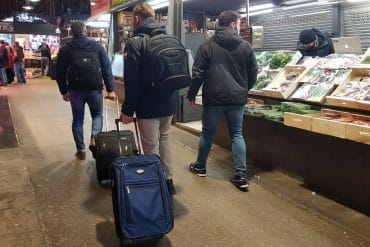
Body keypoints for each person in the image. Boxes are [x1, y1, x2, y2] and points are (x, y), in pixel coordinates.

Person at [187, 10, 257, 190]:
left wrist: (192, 94)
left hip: (213, 99)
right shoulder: (246, 47)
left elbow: (197, 74)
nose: (240, 27)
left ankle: (200, 166)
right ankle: (241, 176)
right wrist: (242, 89)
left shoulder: (207, 46)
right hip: (236, 100)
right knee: (237, 135)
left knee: (207, 134)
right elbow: (253, 74)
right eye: (240, 23)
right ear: (233, 24)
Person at [120, 3, 177, 195]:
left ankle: (155, 187)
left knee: (150, 146)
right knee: (164, 138)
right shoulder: (169, 38)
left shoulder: (135, 42)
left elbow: (132, 79)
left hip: (148, 104)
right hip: (169, 102)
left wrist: (128, 109)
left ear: (137, 19)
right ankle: (168, 180)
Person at [56, 21, 116, 160]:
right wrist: (111, 89)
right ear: (85, 31)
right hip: (94, 88)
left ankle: (81, 150)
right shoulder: (97, 46)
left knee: (77, 120)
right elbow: (107, 68)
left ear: (72, 32)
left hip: (75, 90)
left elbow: (60, 72)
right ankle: (95, 139)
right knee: (97, 115)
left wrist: (64, 91)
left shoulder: (66, 49)